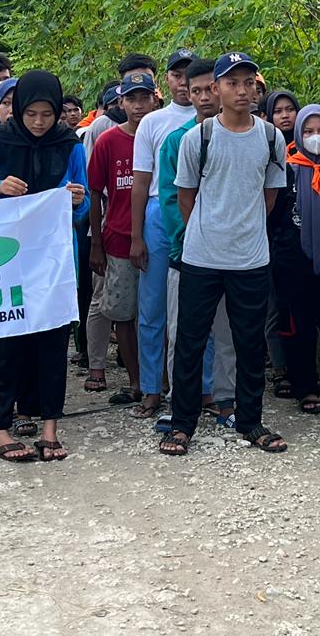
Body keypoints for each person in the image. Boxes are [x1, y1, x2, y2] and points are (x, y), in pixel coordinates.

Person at [161, 52, 288, 456]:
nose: (242, 90)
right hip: (201, 256)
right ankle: (182, 424)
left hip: (250, 257)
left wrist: (242, 229)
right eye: (232, 83)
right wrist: (211, 229)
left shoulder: (271, 137)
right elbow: (186, 198)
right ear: (215, 89)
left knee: (250, 343)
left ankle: (250, 420)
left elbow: (270, 196)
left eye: (249, 82)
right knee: (190, 342)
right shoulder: (198, 138)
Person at [0, 69, 88, 463]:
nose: (39, 122)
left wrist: (75, 200)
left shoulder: (71, 146)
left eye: (47, 114)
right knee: (6, 341)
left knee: (53, 343)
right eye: (31, 113)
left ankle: (50, 426)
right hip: (6, 260)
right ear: (18, 111)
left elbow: (84, 202)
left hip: (54, 260)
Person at [157, 58, 237, 430]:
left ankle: (226, 400)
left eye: (210, 88)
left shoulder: (246, 136)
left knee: (227, 334)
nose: (205, 97)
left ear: (221, 90)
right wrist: (196, 239)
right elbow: (172, 201)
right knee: (182, 334)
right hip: (186, 254)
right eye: (197, 90)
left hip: (232, 255)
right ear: (186, 93)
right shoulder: (177, 141)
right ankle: (180, 403)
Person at [129, 50, 196, 416]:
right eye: (177, 74)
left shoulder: (215, 117)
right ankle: (152, 387)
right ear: (165, 82)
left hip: (199, 212)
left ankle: (202, 387)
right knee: (152, 306)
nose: (184, 82)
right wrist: (136, 236)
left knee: (198, 304)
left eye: (191, 74)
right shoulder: (153, 122)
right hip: (157, 212)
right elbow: (140, 183)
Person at [90, 72, 158, 415]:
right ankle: (136, 382)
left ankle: (158, 380)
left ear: (155, 98)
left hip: (159, 236)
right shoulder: (107, 141)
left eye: (144, 97)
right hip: (117, 238)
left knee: (155, 313)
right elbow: (95, 193)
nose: (138, 105)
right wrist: (96, 244)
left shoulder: (162, 133)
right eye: (131, 99)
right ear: (121, 103)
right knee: (124, 315)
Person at [270, 103, 320, 413]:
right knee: (297, 325)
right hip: (292, 260)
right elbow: (273, 216)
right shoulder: (285, 168)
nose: (316, 137)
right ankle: (305, 387)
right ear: (298, 134)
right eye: (309, 131)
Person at [262, 89, 301, 395]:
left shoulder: (316, 150)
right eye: (278, 111)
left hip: (304, 247)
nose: (285, 115)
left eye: (290, 109)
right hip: (270, 242)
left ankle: (303, 368)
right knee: (273, 308)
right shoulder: (265, 149)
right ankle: (279, 369)